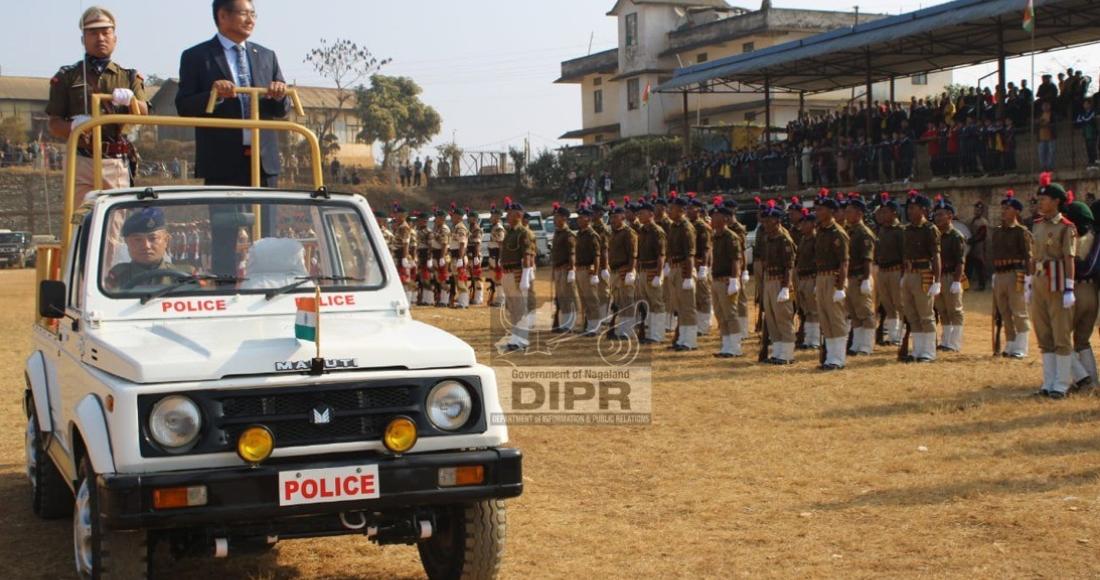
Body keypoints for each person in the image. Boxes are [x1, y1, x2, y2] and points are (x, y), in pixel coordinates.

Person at [175, 0, 290, 188]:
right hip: (222, 163)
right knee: (227, 218)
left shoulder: (266, 56)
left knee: (265, 218)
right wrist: (215, 95)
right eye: (244, 13)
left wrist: (279, 96)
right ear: (223, 15)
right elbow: (184, 106)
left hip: (263, 163)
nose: (250, 20)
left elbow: (281, 110)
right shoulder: (196, 56)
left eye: (253, 14)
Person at [47, 6, 149, 207]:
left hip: (115, 160)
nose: (100, 38)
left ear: (115, 38)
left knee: (112, 227)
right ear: (83, 40)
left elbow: (145, 114)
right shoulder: (68, 76)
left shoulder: (128, 76)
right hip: (81, 159)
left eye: (105, 32)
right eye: (93, 33)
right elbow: (54, 123)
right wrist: (73, 126)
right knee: (78, 223)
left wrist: (131, 102)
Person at [1030, 175, 1078, 398]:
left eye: (1045, 198)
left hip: (1057, 280)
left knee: (1060, 333)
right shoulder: (1037, 225)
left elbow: (1069, 258)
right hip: (1040, 279)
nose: (1040, 202)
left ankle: (1062, 382)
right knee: (1044, 333)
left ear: (1057, 201)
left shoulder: (1066, 227)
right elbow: (1033, 254)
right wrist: (1030, 281)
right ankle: (1048, 381)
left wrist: (1069, 287)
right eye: (1039, 198)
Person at [900, 191, 941, 363]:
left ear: (923, 210)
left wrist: (937, 281)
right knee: (912, 314)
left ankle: (929, 351)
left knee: (925, 314)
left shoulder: (930, 229)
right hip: (909, 274)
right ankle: (917, 349)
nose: (910, 211)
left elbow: (936, 255)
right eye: (909, 208)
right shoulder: (907, 229)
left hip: (923, 273)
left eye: (914, 208)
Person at [991, 190, 1033, 358]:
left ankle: (1021, 346)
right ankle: (1010, 343)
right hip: (1000, 274)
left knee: (1018, 310)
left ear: (1016, 211)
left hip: (1016, 273)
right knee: (1004, 311)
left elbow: (1029, 257)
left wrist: (1029, 279)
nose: (1003, 211)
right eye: (1003, 209)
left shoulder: (1021, 232)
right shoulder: (997, 232)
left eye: (1007, 209)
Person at [105, 208, 191, 289]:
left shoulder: (184, 276)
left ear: (166, 240)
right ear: (127, 242)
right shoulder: (117, 277)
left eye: (153, 238)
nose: (146, 246)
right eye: (138, 240)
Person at [813, 193, 850, 370]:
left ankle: (838, 357)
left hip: (834, 277)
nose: (817, 212)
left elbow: (844, 261)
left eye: (820, 209)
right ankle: (830, 356)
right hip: (821, 277)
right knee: (825, 318)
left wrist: (840, 287)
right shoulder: (820, 231)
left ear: (830, 211)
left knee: (835, 318)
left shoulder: (838, 233)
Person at [1066, 198, 1099, 387]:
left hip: (1076, 289)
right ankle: (1092, 381)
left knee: (1060, 337)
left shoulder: (1074, 240)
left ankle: (1081, 378)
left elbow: (1081, 266)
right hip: (1092, 291)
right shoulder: (1093, 238)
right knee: (1083, 340)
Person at [760, 200, 796, 364]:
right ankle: (778, 352)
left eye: (768, 220)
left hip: (780, 281)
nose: (765, 223)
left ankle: (787, 353)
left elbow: (789, 266)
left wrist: (786, 287)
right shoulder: (768, 238)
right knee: (772, 319)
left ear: (777, 221)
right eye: (764, 220)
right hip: (769, 280)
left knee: (783, 318)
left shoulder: (784, 239)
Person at [498, 198, 536, 352]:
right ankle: (515, 335)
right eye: (508, 213)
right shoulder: (510, 232)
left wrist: (526, 276)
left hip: (517, 273)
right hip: (507, 273)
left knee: (519, 307)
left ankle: (521, 339)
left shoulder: (524, 233)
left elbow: (527, 255)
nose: (507, 215)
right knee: (512, 307)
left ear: (519, 215)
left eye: (511, 213)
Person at [843, 194, 877, 355]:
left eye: (850, 211)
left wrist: (866, 279)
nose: (846, 214)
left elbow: (867, 258)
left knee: (865, 312)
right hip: (849, 277)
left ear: (859, 214)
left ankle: (867, 345)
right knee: (854, 313)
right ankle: (857, 344)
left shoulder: (864, 233)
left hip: (859, 276)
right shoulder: (849, 231)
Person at [710, 199, 744, 357]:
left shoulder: (731, 237)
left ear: (724, 219)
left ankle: (735, 346)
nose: (713, 219)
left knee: (730, 314)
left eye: (716, 216)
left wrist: (734, 279)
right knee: (720, 314)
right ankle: (726, 345)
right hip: (716, 280)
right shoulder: (715, 236)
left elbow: (736, 259)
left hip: (726, 280)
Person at [933, 197, 966, 352]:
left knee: (955, 309)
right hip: (939, 276)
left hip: (951, 275)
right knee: (942, 309)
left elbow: (960, 261)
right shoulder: (935, 235)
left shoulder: (956, 236)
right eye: (936, 214)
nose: (938, 217)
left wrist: (957, 281)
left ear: (950, 216)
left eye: (941, 214)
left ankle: (955, 342)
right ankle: (946, 340)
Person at [667, 196, 698, 351]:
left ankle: (690, 340)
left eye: (671, 209)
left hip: (683, 269)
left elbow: (690, 254)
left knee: (687, 306)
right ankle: (682, 338)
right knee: (679, 306)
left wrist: (688, 277)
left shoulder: (687, 228)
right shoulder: (674, 226)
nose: (669, 211)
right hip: (674, 268)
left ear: (681, 210)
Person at [874, 194, 905, 345]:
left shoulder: (900, 230)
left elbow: (905, 254)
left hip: (896, 269)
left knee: (900, 304)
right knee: (888, 304)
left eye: (886, 212)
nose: (882, 214)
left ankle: (901, 335)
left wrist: (904, 275)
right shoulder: (882, 230)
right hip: (883, 270)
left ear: (894, 213)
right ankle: (892, 335)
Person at [635, 199, 667, 344]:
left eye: (642, 213)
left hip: (652, 270)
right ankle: (649, 332)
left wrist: (659, 275)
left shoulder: (657, 231)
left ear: (651, 214)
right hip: (642, 270)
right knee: (645, 303)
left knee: (656, 303)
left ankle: (657, 334)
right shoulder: (642, 231)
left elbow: (661, 255)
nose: (639, 216)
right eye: (639, 213)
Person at [606, 201, 638, 340]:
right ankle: (622, 328)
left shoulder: (628, 233)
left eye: (615, 217)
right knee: (618, 301)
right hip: (614, 271)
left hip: (624, 270)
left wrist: (631, 271)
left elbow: (633, 254)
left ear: (622, 217)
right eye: (611, 217)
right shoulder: (613, 233)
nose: (612, 220)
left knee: (628, 301)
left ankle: (629, 329)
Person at [575, 206, 604, 336]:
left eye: (581, 217)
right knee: (584, 300)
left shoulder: (593, 235)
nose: (579, 220)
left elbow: (597, 255)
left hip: (588, 270)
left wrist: (596, 273)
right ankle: (587, 325)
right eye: (578, 217)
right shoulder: (579, 234)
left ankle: (595, 327)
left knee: (592, 300)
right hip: (579, 269)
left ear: (588, 219)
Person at [550, 203, 578, 332]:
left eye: (557, 217)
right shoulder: (558, 233)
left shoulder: (569, 234)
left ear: (565, 219)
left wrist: (572, 270)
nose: (555, 219)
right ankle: (563, 323)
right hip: (558, 269)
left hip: (566, 269)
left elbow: (572, 253)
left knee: (568, 297)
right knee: (560, 297)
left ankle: (569, 324)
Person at [794, 209, 819, 350]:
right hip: (802, 278)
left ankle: (814, 340)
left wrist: (816, 282)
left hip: (811, 277)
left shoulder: (816, 239)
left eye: (804, 223)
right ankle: (808, 339)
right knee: (806, 311)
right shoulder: (803, 239)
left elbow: (818, 261)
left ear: (812, 224)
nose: (801, 226)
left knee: (814, 311)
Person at [689, 196, 713, 337]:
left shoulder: (702, 227)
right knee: (694, 296)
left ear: (698, 210)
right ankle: (698, 323)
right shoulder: (689, 224)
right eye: (688, 208)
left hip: (700, 263)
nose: (688, 211)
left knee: (703, 296)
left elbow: (706, 248)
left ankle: (704, 325)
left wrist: (704, 267)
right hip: (692, 263)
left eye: (691, 208)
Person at [391, 203, 415, 305]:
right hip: (398, 254)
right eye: (396, 215)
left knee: (405, 278)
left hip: (402, 254)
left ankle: (408, 300)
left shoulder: (404, 227)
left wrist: (404, 257)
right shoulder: (399, 226)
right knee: (401, 278)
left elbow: (406, 243)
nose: (397, 216)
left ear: (404, 216)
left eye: (399, 215)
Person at [447, 204, 469, 308]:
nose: (452, 217)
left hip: (459, 256)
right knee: (457, 280)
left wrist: (460, 258)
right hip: (455, 256)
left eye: (454, 216)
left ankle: (464, 303)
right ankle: (462, 301)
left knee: (461, 280)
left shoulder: (460, 228)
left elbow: (462, 244)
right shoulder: (455, 227)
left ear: (459, 217)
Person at [430, 207, 451, 307]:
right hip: (436, 254)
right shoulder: (436, 227)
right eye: (436, 217)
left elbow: (444, 244)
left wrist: (442, 257)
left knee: (443, 277)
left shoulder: (444, 229)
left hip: (441, 255)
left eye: (438, 218)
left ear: (442, 218)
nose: (436, 219)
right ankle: (441, 299)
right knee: (438, 278)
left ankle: (445, 300)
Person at [486, 204, 506, 307]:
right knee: (495, 278)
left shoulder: (498, 228)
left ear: (497, 217)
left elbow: (501, 244)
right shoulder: (494, 227)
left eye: (492, 215)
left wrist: (501, 258)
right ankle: (499, 298)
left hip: (497, 255)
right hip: (493, 256)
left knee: (499, 278)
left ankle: (501, 299)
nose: (490, 217)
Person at [466, 209, 484, 305]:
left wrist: (476, 257)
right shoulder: (470, 228)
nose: (469, 218)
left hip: (474, 255)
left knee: (477, 277)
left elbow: (477, 244)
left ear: (476, 219)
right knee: (473, 278)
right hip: (469, 256)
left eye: (471, 217)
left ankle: (479, 297)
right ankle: (474, 296)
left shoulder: (476, 229)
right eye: (469, 217)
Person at [1075, 99, 1099, 168]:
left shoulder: (1093, 112)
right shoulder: (1082, 113)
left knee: (1092, 147)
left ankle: (1094, 161)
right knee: (1088, 147)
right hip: (1086, 132)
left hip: (1093, 132)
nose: (1085, 105)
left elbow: (1089, 119)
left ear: (1089, 104)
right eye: (1084, 104)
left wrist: (1084, 120)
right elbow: (1078, 120)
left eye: (1086, 104)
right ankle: (1090, 161)